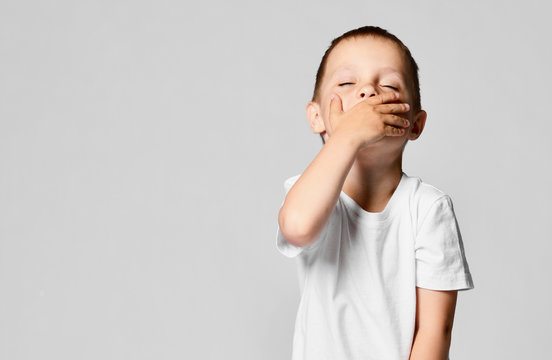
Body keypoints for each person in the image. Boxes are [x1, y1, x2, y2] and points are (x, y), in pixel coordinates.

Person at [275, 26, 475, 360]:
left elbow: (435, 330)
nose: (368, 91)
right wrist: (348, 136)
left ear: (415, 124)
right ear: (317, 117)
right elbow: (297, 227)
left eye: (389, 86)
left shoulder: (427, 208)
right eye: (347, 84)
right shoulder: (311, 192)